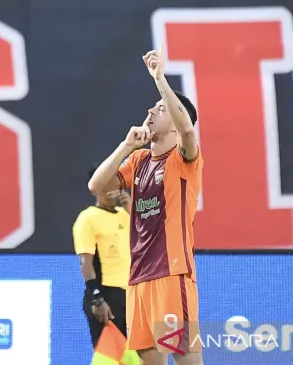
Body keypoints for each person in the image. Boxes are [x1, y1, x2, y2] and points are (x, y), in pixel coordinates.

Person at [88, 45, 204, 365]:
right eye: (153, 106)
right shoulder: (138, 160)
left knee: (185, 357)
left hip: (171, 273)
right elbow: (96, 186)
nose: (151, 111)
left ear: (176, 120)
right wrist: (126, 146)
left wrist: (160, 79)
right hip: (139, 277)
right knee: (149, 360)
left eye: (161, 108)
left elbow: (187, 130)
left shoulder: (184, 159)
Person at [73, 164, 132, 348]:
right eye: (105, 186)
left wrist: (131, 208)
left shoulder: (125, 214)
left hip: (129, 295)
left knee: (130, 358)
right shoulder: (88, 218)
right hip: (106, 295)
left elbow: (149, 242)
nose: (112, 191)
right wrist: (97, 299)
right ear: (95, 189)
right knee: (109, 356)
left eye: (115, 185)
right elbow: (86, 263)